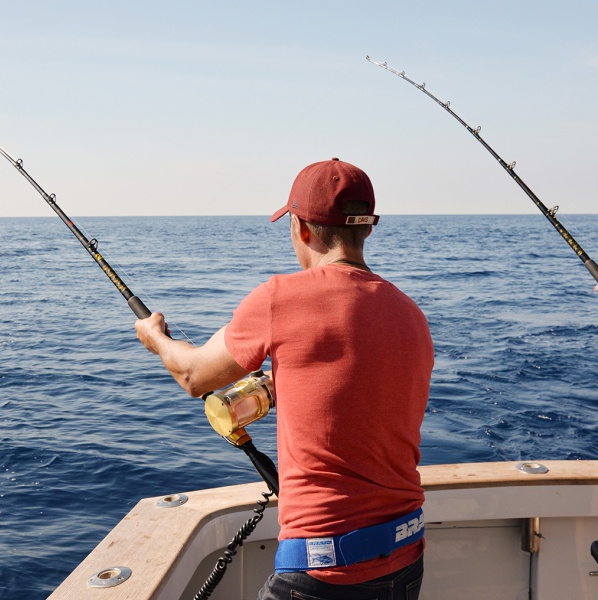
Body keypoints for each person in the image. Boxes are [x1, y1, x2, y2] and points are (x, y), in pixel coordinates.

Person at [135, 158, 434, 600]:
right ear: (367, 228)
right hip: (406, 555)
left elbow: (194, 375)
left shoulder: (281, 298)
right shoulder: (411, 314)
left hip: (321, 570)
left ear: (301, 228)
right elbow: (357, 391)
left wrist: (156, 338)